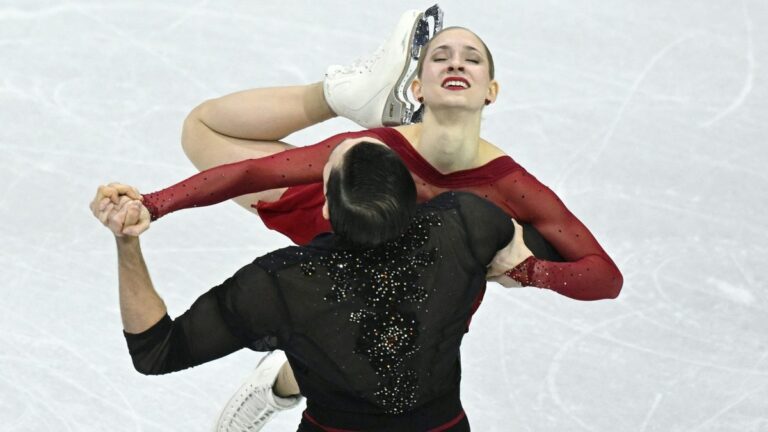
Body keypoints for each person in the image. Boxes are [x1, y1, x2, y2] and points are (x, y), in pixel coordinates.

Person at [95, 5, 622, 430]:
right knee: (201, 131)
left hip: (428, 274)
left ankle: (275, 385)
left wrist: (529, 270)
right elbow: (251, 169)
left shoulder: (507, 187)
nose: (455, 63)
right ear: (416, 88)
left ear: (492, 90)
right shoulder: (373, 154)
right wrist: (155, 203)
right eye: (439, 57)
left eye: (471, 59)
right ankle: (341, 94)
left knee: (357, 354)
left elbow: (604, 275)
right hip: (346, 231)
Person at [92, 140, 563, 431]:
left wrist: (125, 244)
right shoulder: (466, 223)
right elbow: (550, 245)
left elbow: (156, 352)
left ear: (323, 212)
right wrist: (520, 266)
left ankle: (278, 384)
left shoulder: (283, 283)